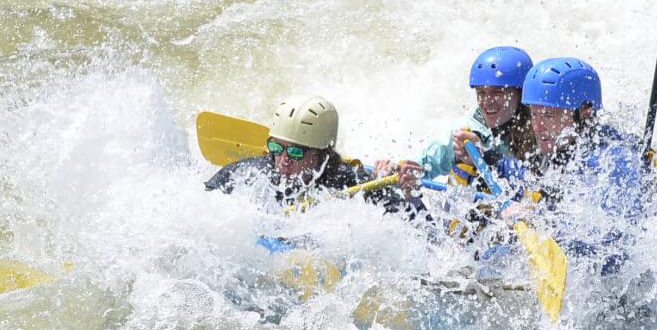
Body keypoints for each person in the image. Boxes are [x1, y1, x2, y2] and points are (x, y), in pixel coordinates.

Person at [512, 57, 654, 264]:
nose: (538, 126)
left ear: (585, 112)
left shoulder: (613, 161)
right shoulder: (562, 147)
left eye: (549, 115)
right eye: (534, 114)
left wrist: (538, 222)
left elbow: (606, 240)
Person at [382, 46, 537, 192]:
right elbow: (424, 166)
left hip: (524, 207)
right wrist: (399, 171)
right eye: (481, 92)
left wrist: (487, 159)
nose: (487, 101)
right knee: (463, 167)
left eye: (497, 92)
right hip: (481, 213)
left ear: (521, 94)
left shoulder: (542, 128)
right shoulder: (465, 131)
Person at [205, 95, 395, 207]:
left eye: (296, 152)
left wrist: (390, 187)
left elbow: (417, 229)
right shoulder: (250, 173)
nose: (284, 160)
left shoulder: (347, 180)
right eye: (277, 148)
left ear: (322, 155)